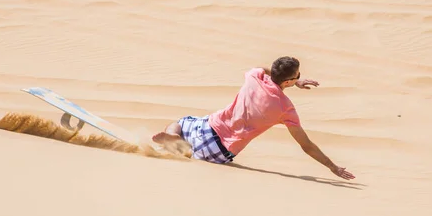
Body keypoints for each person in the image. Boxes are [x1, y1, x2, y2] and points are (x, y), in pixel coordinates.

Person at [152, 56, 355, 180]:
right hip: (219, 153)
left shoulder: (254, 77)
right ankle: (186, 148)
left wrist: (295, 80)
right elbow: (306, 145)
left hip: (206, 129)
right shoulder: (286, 109)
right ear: (288, 81)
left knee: (180, 122)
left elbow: (262, 69)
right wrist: (333, 167)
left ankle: (174, 137)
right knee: (200, 148)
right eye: (298, 75)